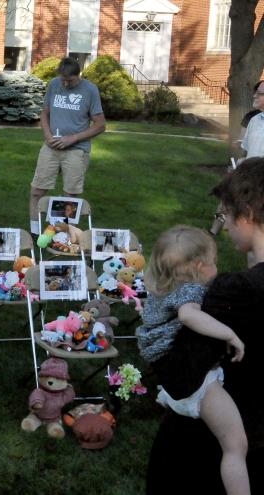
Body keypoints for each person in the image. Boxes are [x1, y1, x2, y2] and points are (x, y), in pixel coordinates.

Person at [146, 158, 264, 494]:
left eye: (225, 213)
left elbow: (181, 376)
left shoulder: (236, 291)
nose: (224, 224)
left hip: (207, 451)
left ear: (249, 214)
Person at [136, 225, 249, 495]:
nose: (216, 267)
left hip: (169, 372)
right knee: (236, 444)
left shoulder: (161, 288)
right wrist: (229, 334)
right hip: (199, 385)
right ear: (199, 266)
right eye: (213, 262)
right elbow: (188, 316)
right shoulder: (190, 291)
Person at [29, 57, 105, 235]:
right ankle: (34, 231)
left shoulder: (90, 90)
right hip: (51, 147)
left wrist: (73, 138)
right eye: (62, 79)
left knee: (69, 196)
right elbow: (44, 113)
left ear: (78, 75)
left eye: (69, 80)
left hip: (76, 150)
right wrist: (47, 135)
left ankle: (60, 234)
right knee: (36, 190)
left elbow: (100, 125)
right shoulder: (55, 84)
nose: (64, 83)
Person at [240, 82, 264, 160]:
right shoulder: (254, 120)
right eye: (255, 93)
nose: (254, 96)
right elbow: (247, 150)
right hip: (252, 171)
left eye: (259, 93)